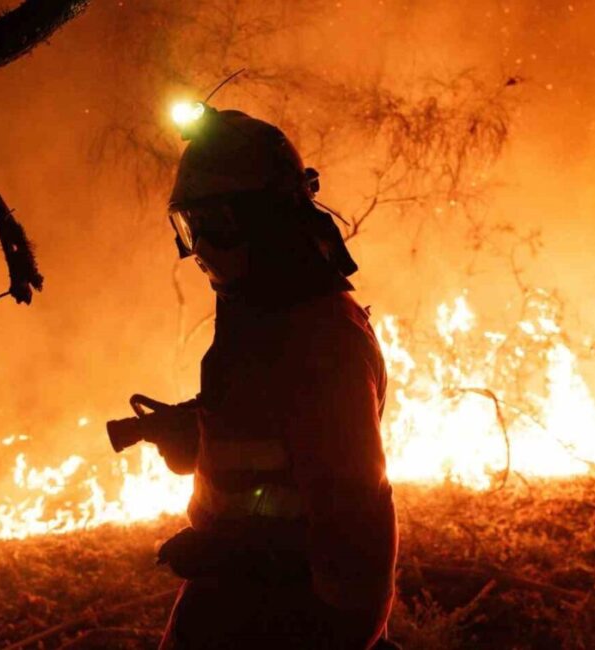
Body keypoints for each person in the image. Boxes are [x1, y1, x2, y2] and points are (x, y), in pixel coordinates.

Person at [148, 106, 398, 649]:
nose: (201, 249)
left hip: (291, 623)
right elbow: (270, 435)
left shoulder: (323, 343)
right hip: (230, 609)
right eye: (191, 227)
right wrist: (197, 430)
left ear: (268, 221)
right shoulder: (259, 314)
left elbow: (352, 531)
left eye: (216, 225)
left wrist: (233, 556)